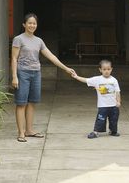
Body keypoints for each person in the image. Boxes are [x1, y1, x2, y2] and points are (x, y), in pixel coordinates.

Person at [11, 12, 76, 142]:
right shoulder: (18, 39)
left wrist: (66, 68)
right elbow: (13, 58)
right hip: (22, 73)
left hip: (36, 73)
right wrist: (14, 76)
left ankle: (29, 130)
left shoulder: (39, 41)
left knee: (32, 103)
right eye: (29, 23)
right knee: (21, 103)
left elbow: (51, 56)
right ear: (24, 24)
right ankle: (21, 133)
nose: (32, 25)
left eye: (34, 23)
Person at [72, 58, 121, 138]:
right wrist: (76, 77)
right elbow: (86, 80)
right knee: (100, 119)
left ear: (111, 69)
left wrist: (118, 102)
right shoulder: (97, 79)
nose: (106, 71)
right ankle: (96, 132)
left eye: (108, 69)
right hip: (103, 106)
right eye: (104, 69)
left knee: (114, 120)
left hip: (113, 106)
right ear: (100, 70)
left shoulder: (114, 80)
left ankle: (113, 131)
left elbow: (118, 92)